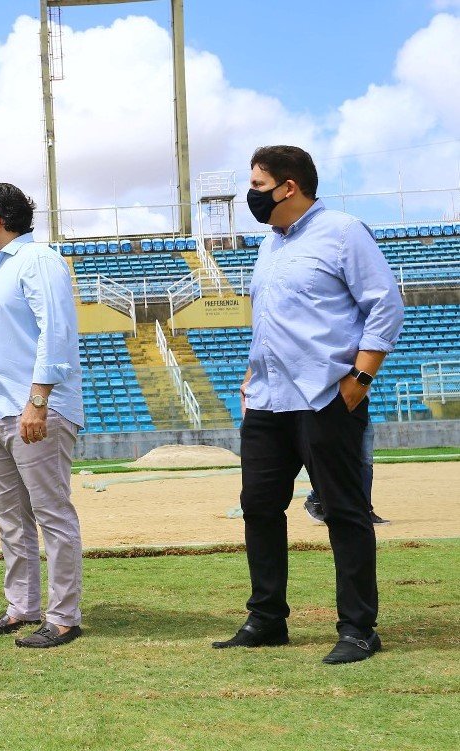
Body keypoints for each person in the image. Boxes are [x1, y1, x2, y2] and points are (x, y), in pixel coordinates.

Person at [213, 146, 404, 665]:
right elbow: (273, 321)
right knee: (259, 508)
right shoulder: (269, 245)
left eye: (257, 184)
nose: (250, 194)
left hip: (326, 397)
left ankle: (360, 628)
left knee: (344, 511)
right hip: (269, 401)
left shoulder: (343, 231)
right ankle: (268, 619)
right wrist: (252, 380)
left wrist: (359, 378)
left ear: (288, 186)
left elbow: (385, 302)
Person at [0, 183, 85, 648]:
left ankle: (64, 616)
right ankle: (22, 607)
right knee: (10, 516)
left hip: (34, 411)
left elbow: (55, 331)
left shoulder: (38, 260)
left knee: (51, 513)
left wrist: (38, 401)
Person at [304, 422, 388, 525]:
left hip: (361, 413)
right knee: (340, 460)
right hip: (338, 415)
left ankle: (365, 511)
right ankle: (315, 499)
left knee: (365, 461)